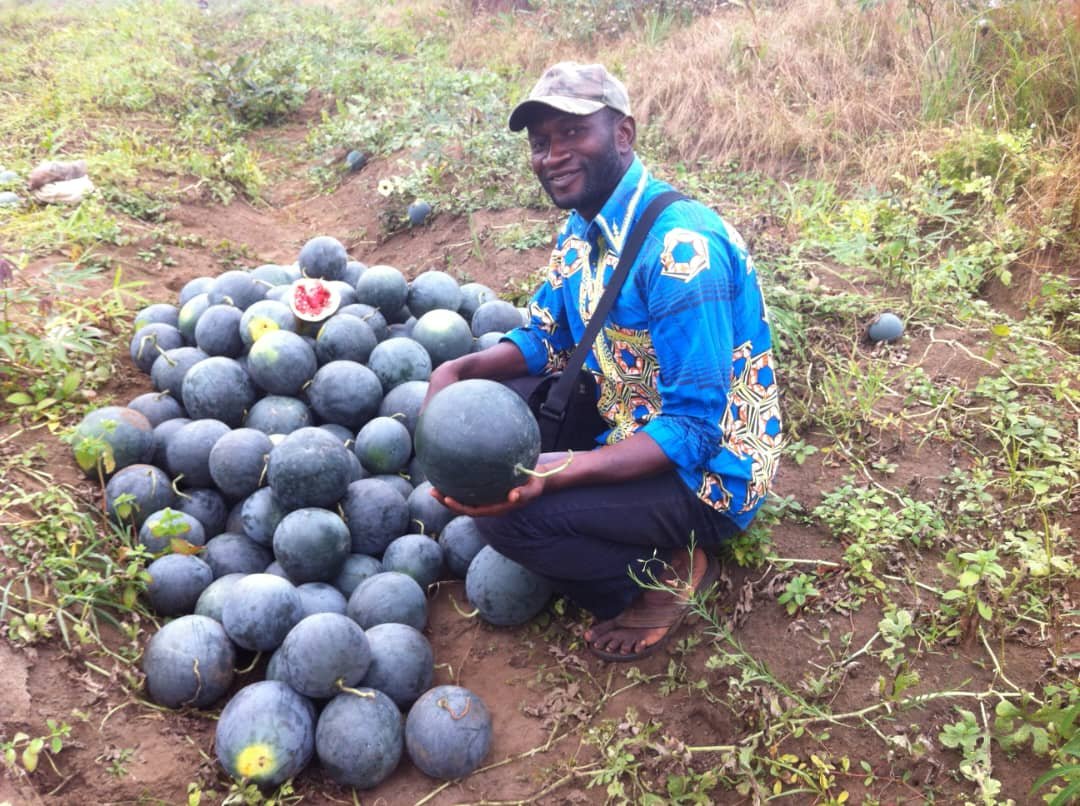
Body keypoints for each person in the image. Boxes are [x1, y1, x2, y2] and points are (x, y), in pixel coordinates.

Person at [424, 62, 782, 661]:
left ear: (623, 134)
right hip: (631, 416)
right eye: (542, 143)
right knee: (496, 413)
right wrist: (459, 373)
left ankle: (660, 578)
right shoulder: (581, 227)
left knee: (508, 520)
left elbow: (695, 430)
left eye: (572, 133)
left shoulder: (680, 251)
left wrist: (563, 468)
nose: (553, 155)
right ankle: (606, 511)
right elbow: (548, 334)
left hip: (709, 474)